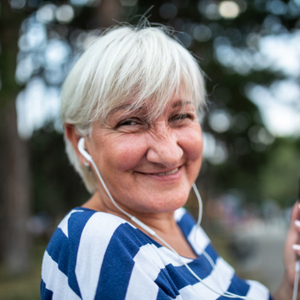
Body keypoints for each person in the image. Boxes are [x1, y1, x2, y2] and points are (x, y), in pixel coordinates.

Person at [40, 25, 300, 300]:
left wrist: (291, 285)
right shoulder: (101, 241)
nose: (169, 154)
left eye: (181, 117)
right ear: (79, 141)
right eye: (130, 122)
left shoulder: (177, 220)